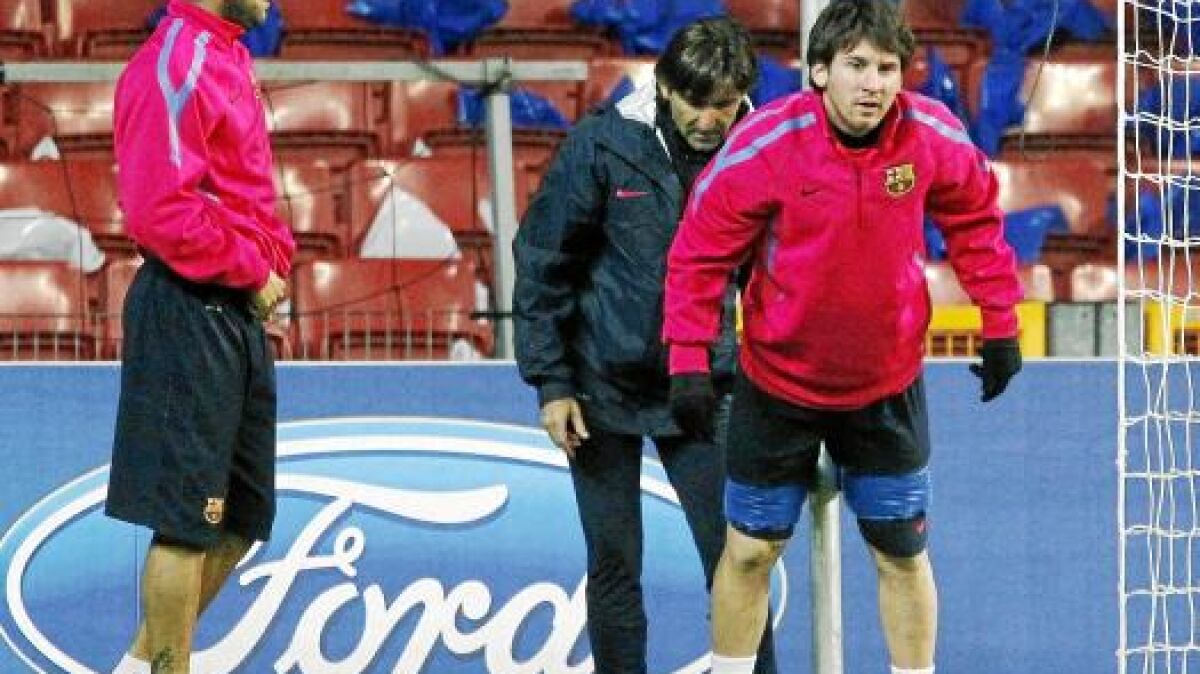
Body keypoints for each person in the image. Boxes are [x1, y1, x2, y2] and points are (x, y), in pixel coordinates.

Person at [661, 2, 1024, 674]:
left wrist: (999, 322)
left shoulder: (931, 135)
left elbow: (975, 221)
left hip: (886, 387)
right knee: (749, 553)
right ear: (820, 71)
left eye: (887, 68)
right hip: (777, 387)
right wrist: (687, 359)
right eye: (857, 66)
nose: (873, 84)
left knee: (901, 554)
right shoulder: (767, 144)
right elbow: (698, 256)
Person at [513, 17, 776, 674]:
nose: (709, 120)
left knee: (738, 560)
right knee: (613, 564)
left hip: (706, 384)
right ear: (664, 87)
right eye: (695, 103)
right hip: (598, 387)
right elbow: (543, 259)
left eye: (723, 105)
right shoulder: (602, 143)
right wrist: (552, 382)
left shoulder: (762, 148)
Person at [104, 1, 294, 672]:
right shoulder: (174, 60)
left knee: (239, 521)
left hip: (231, 310)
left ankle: (141, 667)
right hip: (189, 306)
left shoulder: (227, 54)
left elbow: (240, 192)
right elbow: (158, 208)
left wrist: (270, 256)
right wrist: (250, 268)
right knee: (187, 525)